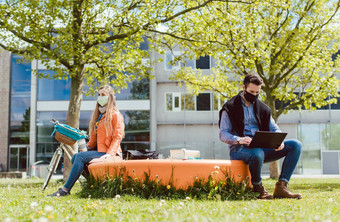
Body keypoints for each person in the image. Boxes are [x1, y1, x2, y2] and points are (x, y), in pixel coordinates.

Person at [219, 73, 302, 199]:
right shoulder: (230, 107)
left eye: (257, 92)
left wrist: (279, 140)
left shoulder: (263, 108)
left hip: (261, 149)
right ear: (243, 88)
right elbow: (223, 133)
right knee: (257, 152)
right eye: (251, 91)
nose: (254, 95)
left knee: (296, 145)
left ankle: (281, 186)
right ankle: (257, 188)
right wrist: (239, 140)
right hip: (239, 149)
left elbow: (274, 128)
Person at [48, 85, 125, 197]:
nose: (100, 97)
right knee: (76, 157)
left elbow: (117, 137)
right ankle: (94, 184)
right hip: (100, 152)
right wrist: (87, 148)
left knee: (79, 157)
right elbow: (93, 140)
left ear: (110, 97)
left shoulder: (115, 115)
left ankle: (65, 190)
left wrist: (109, 154)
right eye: (99, 95)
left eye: (103, 95)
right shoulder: (97, 116)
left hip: (110, 153)